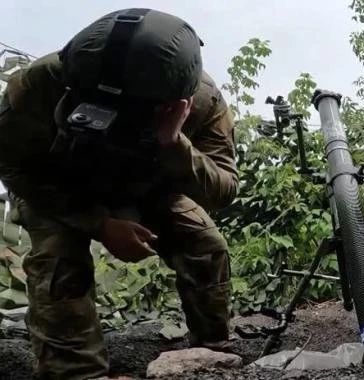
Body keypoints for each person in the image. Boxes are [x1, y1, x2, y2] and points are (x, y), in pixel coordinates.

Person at [0, 8, 238, 379]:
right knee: (57, 261)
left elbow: (224, 189)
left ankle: (211, 360)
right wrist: (99, 224)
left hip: (148, 186)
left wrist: (175, 144)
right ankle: (76, 372)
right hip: (59, 188)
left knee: (206, 245)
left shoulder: (203, 103)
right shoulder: (41, 82)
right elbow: (12, 165)